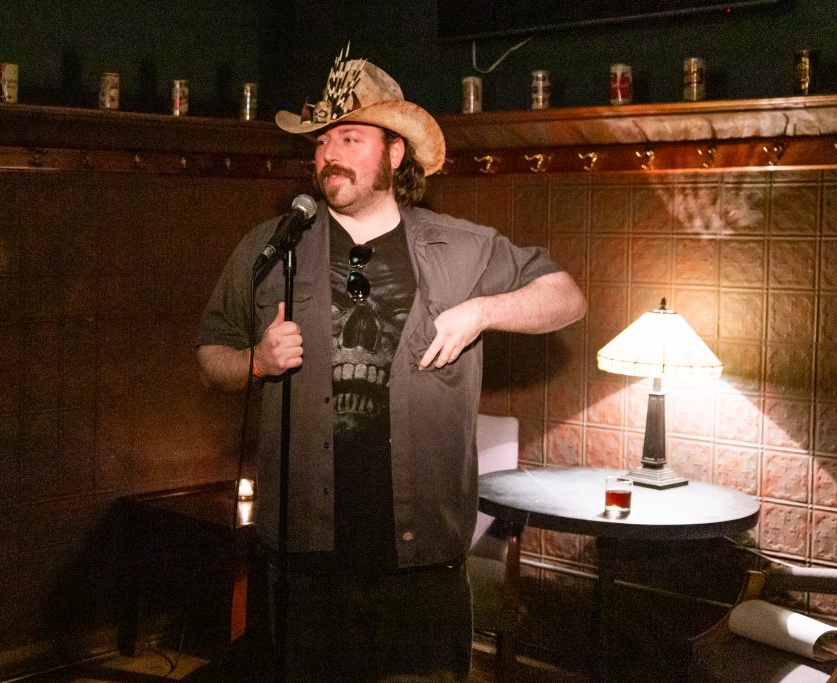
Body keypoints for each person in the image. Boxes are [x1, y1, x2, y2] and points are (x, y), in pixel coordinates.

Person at [196, 46, 586, 682]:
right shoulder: (271, 248)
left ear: (395, 152)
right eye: (322, 140)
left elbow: (567, 297)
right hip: (304, 566)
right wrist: (255, 363)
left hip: (421, 570)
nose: (330, 153)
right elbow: (209, 356)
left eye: (350, 136)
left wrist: (481, 312)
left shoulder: (462, 247)